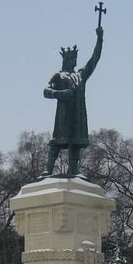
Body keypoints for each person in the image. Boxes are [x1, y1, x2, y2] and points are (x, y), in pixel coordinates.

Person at [42, 25, 103, 176]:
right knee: (57, 140)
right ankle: (48, 169)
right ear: (66, 59)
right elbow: (46, 91)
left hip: (78, 114)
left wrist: (100, 39)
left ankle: (73, 170)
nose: (74, 61)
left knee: (75, 142)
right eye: (71, 58)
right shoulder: (58, 75)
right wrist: (61, 93)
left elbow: (94, 60)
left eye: (75, 58)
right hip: (63, 115)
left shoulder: (80, 76)